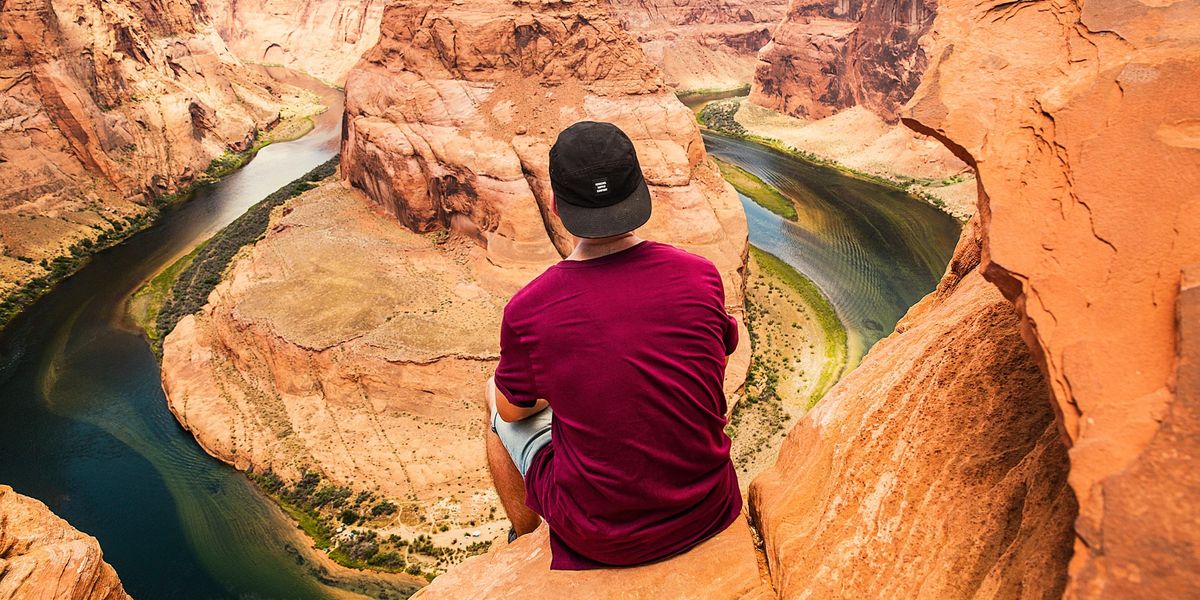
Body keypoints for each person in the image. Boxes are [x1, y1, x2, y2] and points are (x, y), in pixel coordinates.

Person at [484, 121, 741, 570]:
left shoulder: (531, 310)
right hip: (710, 507)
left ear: (555, 205)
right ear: (641, 191)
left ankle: (524, 539)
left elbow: (513, 412)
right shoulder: (700, 274)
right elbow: (716, 353)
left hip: (605, 538)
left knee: (493, 402)